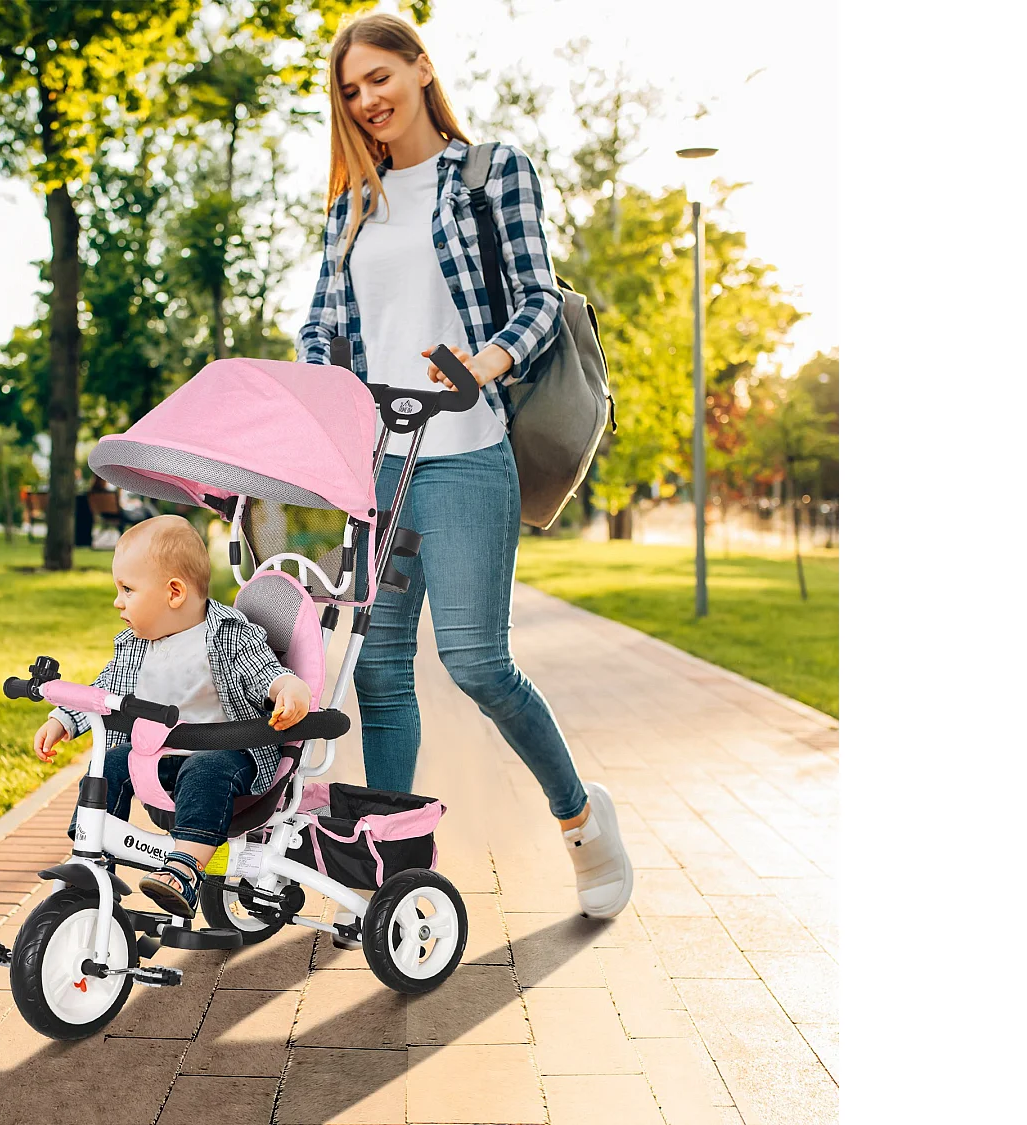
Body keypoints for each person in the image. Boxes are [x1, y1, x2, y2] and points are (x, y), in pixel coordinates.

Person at [296, 12, 632, 918]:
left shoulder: (492, 174)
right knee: (378, 668)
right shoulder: (350, 206)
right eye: (351, 90)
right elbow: (321, 326)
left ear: (419, 68)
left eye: (378, 78)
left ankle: (580, 819)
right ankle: (394, 868)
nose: (367, 101)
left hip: (470, 450)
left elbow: (536, 298)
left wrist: (485, 361)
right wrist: (314, 397)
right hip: (378, 466)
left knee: (479, 661)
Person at [34, 514, 311, 917]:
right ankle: (89, 856)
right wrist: (63, 720)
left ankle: (186, 869)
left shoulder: (227, 635)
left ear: (174, 593)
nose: (117, 602)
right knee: (109, 764)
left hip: (228, 759)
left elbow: (264, 672)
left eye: (127, 590)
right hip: (160, 760)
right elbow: (103, 692)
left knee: (205, 767)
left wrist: (288, 688)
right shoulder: (134, 644)